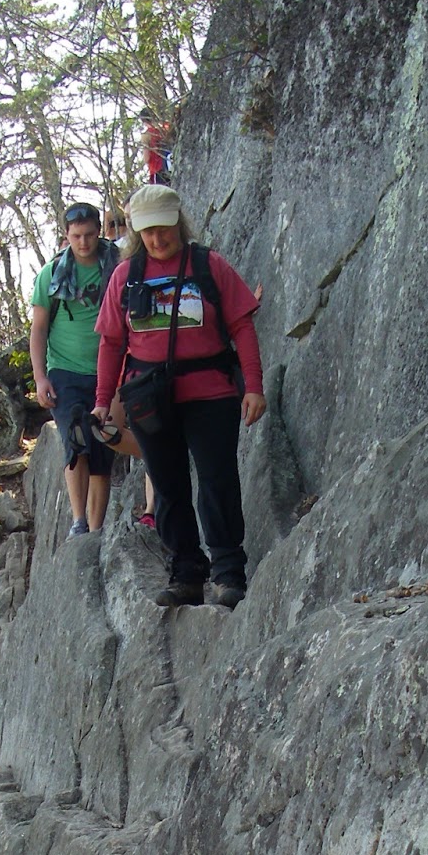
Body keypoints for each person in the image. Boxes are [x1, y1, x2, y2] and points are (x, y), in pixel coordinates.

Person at [92, 184, 266, 609]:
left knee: (217, 480)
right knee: (168, 487)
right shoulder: (125, 276)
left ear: (178, 222)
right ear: (136, 232)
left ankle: (228, 572)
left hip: (211, 393)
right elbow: (111, 343)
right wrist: (101, 400)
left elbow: (242, 325)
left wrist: (254, 386)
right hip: (150, 398)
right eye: (147, 231)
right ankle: (186, 571)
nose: (157, 239)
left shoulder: (210, 266)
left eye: (163, 228)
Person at [28, 201, 124, 540]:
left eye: (89, 235)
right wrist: (40, 377)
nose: (83, 243)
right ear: (66, 236)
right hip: (65, 370)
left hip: (109, 369)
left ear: (99, 231)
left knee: (102, 447)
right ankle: (78, 520)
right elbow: (39, 328)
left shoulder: (118, 264)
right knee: (75, 439)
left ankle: (95, 531)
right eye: (76, 236)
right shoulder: (52, 274)